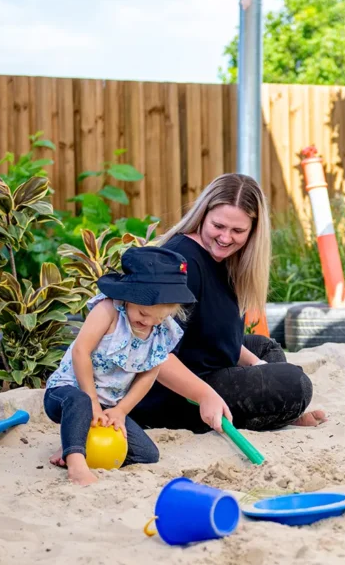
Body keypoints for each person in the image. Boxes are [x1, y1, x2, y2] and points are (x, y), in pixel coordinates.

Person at [128, 174, 326, 434]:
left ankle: (274, 413)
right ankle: (269, 414)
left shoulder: (225, 260)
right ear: (202, 216)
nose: (225, 238)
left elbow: (212, 335)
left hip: (206, 366)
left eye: (237, 231)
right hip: (175, 392)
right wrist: (204, 395)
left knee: (265, 349)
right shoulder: (183, 263)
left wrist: (259, 368)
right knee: (296, 384)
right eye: (218, 226)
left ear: (253, 231)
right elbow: (152, 353)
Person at [44, 246, 193, 485]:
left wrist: (121, 410)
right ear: (128, 296)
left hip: (107, 403)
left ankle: (74, 444)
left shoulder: (161, 330)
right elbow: (81, 351)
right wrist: (92, 399)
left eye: (159, 318)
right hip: (68, 392)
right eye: (144, 313)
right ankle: (76, 464)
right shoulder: (109, 311)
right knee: (80, 402)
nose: (149, 323)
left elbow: (149, 373)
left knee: (147, 454)